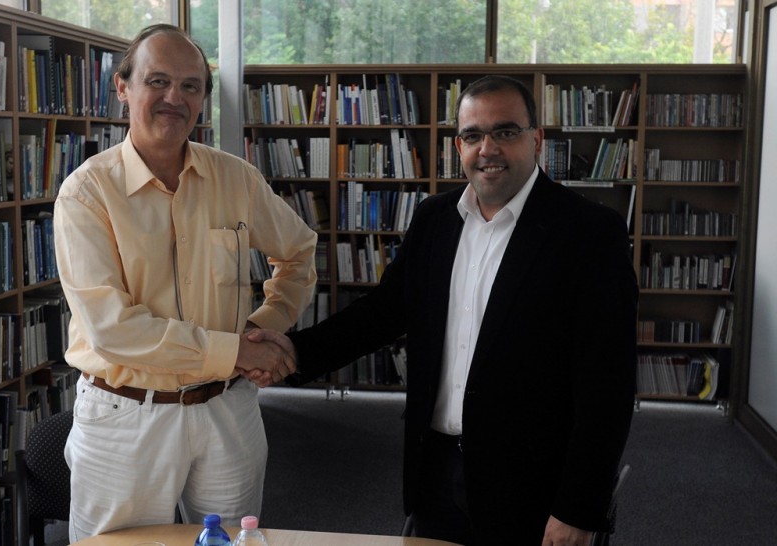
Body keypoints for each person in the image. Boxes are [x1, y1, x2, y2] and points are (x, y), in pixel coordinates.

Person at [250, 75, 638, 545]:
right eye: (473, 135)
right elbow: (381, 314)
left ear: (536, 139)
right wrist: (294, 352)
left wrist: (577, 507)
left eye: (505, 131)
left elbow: (609, 384)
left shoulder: (589, 233)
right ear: (458, 146)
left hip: (533, 484)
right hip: (434, 469)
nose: (488, 149)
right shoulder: (435, 219)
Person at [53, 24, 317, 541]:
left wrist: (262, 329)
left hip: (227, 410)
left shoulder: (236, 179)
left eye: (190, 86)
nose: (175, 98)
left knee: (231, 542)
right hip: (126, 417)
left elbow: (299, 252)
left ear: (203, 99)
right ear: (123, 87)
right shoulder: (87, 193)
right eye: (158, 81)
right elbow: (111, 329)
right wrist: (236, 350)